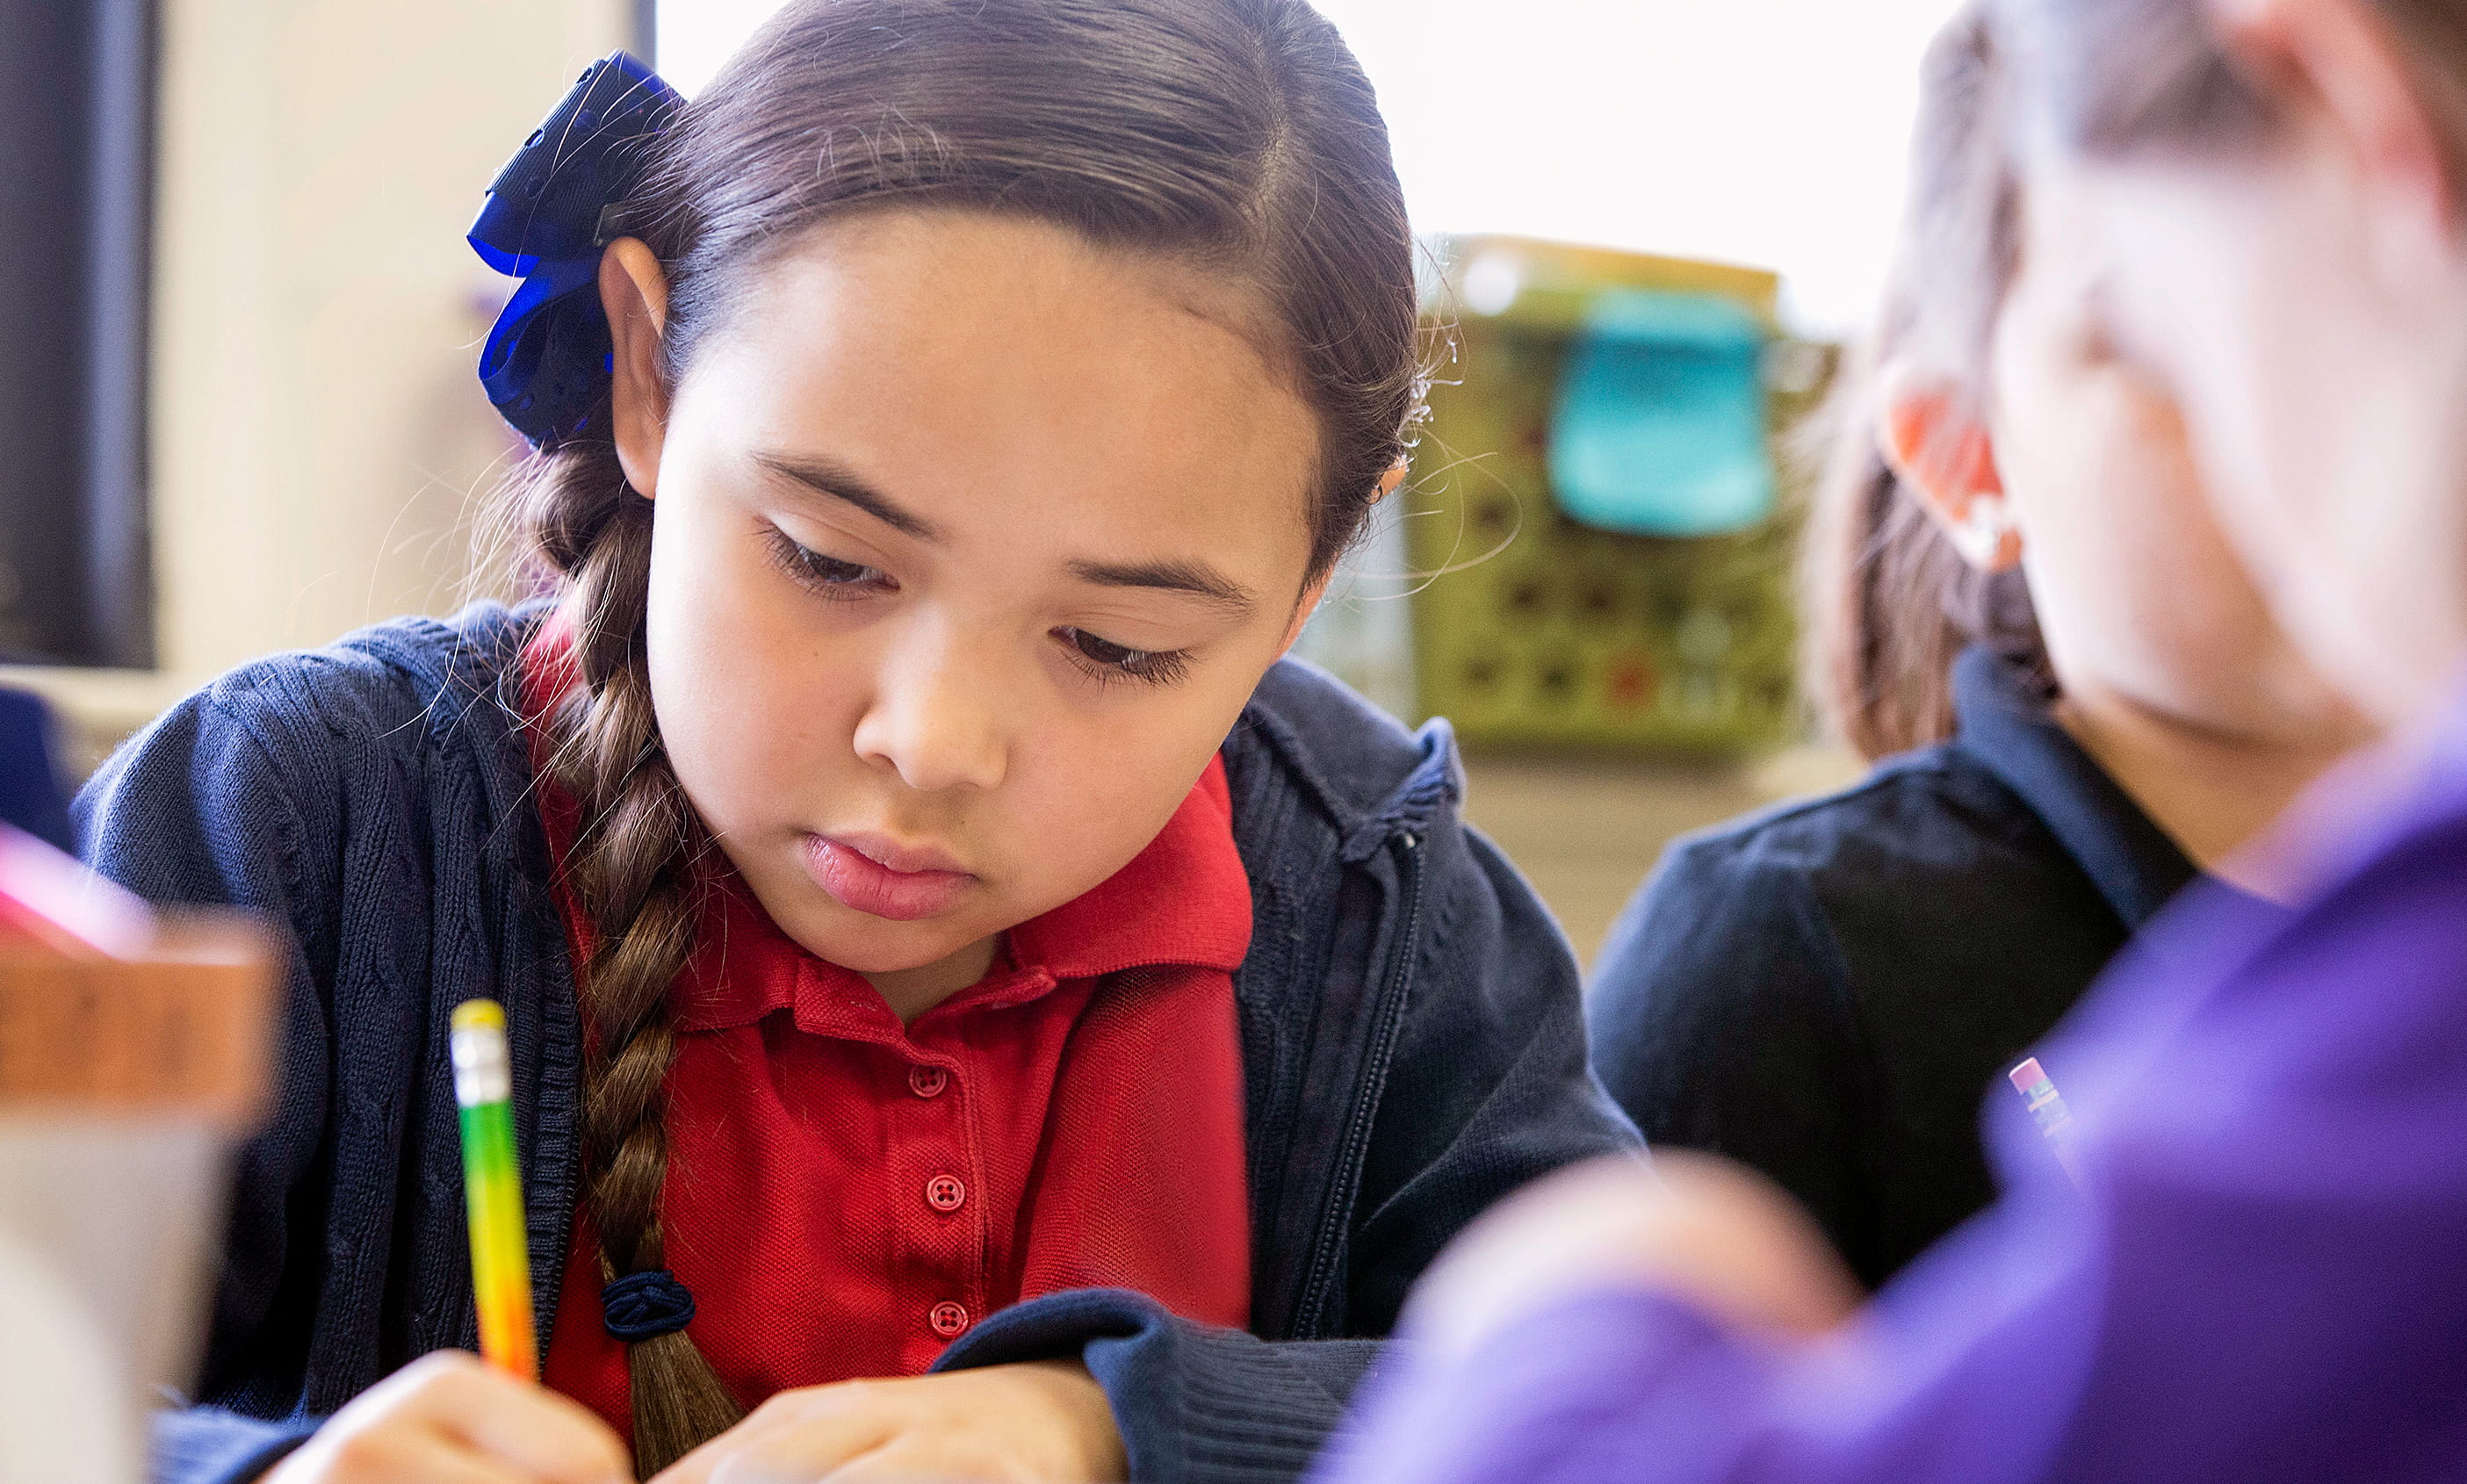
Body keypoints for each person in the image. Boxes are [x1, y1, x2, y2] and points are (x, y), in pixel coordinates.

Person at [79, 4, 1635, 1481]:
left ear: (1312, 579)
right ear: (649, 367)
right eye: (831, 559)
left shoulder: (1382, 898)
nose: (932, 742)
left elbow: (1638, 1405)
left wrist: (1120, 1429)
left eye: (1117, 645)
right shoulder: (284, 826)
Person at [1314, 0, 2467, 1479]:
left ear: (2347, 108)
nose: (2235, 442)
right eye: (2133, 341)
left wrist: (1583, 1297)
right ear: (1969, 455)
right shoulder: (1792, 933)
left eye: (2158, 309)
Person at [1585, 11, 2366, 1288]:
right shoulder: (1781, 952)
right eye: (2165, 336)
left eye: (2376, 321)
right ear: (1969, 454)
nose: (2308, 417)